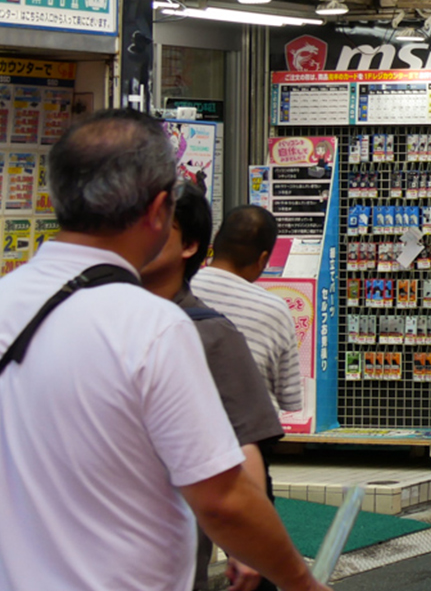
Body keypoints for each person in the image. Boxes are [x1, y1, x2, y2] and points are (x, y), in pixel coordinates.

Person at [0, 110, 327, 591]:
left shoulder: (8, 298)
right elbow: (223, 499)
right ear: (158, 210)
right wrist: (302, 582)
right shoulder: (153, 328)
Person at [143, 182, 287, 591]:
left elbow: (245, 445)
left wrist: (248, 546)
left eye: (157, 225)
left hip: (164, 559)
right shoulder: (90, 312)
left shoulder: (210, 332)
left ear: (189, 244)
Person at [191, 205, 303, 417]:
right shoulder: (274, 309)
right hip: (250, 434)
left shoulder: (180, 289)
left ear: (216, 241)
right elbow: (290, 400)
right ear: (262, 259)